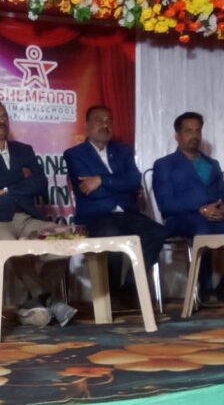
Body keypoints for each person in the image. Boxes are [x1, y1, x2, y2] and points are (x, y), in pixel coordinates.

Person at [0, 99, 76, 327]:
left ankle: (32, 302)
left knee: (67, 238)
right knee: (12, 246)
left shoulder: (24, 150)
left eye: (4, 116)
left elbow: (40, 184)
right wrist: (20, 175)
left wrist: (4, 190)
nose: (1, 120)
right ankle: (49, 300)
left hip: (27, 217)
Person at [63, 105, 168, 303]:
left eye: (108, 121)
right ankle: (111, 293)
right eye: (99, 120)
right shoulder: (74, 154)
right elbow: (89, 191)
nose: (105, 125)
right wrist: (120, 184)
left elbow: (134, 180)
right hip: (96, 215)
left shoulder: (123, 150)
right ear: (86, 126)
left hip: (128, 213)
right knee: (111, 235)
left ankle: (129, 286)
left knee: (157, 232)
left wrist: (101, 180)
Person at [152, 111, 224, 299]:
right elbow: (166, 204)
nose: (194, 135)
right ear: (177, 135)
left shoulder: (212, 164)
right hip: (181, 219)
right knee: (203, 229)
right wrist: (201, 209)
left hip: (216, 218)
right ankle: (202, 289)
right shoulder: (165, 165)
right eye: (188, 131)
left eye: (197, 131)